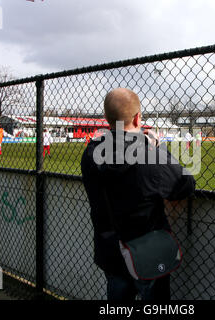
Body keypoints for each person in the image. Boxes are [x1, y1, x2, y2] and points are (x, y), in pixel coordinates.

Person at [81, 88, 195, 301]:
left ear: (107, 118)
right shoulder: (149, 156)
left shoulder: (90, 153)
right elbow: (186, 184)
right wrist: (156, 149)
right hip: (147, 252)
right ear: (137, 118)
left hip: (110, 250)